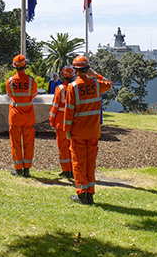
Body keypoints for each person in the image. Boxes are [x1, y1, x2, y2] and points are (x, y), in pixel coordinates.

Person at [64, 55, 112, 204]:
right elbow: (109, 83)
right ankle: (90, 193)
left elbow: (69, 110)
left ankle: (81, 194)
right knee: (90, 163)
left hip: (78, 131)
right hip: (93, 131)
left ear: (75, 70)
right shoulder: (97, 85)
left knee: (78, 162)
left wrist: (67, 130)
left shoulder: (73, 87)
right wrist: (96, 74)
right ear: (87, 69)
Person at [6, 54, 38, 177]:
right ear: (25, 65)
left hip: (15, 116)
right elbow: (34, 94)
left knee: (15, 142)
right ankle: (27, 169)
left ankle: (18, 168)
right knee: (28, 142)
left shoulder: (9, 81)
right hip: (28, 116)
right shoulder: (31, 81)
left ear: (15, 67)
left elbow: (10, 95)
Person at [48, 66, 75, 179]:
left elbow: (55, 106)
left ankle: (66, 170)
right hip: (74, 122)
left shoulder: (59, 89)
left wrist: (51, 119)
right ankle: (75, 169)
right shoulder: (76, 87)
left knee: (63, 147)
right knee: (73, 147)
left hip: (61, 122)